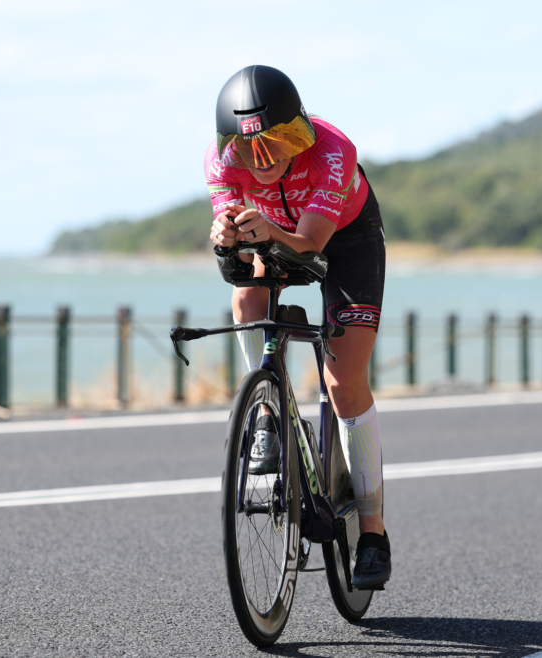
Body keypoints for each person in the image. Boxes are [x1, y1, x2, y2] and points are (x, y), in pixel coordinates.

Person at [205, 65, 391, 590]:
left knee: (343, 381)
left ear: (301, 129)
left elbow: (310, 243)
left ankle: (373, 533)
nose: (268, 158)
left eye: (282, 139)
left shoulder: (333, 150)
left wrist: (268, 230)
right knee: (246, 294)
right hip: (276, 233)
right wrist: (224, 238)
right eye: (250, 149)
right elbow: (236, 249)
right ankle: (266, 409)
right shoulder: (218, 162)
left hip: (345, 237)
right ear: (229, 147)